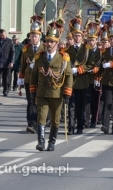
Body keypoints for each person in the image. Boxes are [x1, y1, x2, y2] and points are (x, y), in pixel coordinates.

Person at [30, 19, 73, 152]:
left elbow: (69, 75)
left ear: (57, 43)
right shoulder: (39, 57)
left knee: (55, 120)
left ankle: (52, 142)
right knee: (41, 117)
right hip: (42, 92)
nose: (49, 44)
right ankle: (41, 142)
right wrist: (32, 91)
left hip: (56, 93)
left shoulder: (63, 58)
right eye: (47, 41)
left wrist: (67, 93)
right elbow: (34, 77)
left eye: (52, 42)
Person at [19, 16, 45, 133]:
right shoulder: (26, 49)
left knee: (38, 101)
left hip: (40, 79)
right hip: (29, 79)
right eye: (31, 36)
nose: (33, 38)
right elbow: (23, 64)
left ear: (39, 36)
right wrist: (21, 77)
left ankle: (41, 121)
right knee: (30, 101)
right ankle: (31, 123)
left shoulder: (44, 48)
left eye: (35, 36)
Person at [0, 29, 14, 96]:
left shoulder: (10, 41)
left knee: (6, 78)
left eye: (3, 35)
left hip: (7, 62)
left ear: (6, 34)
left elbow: (12, 52)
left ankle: (6, 91)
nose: (2, 36)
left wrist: (11, 62)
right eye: (1, 35)